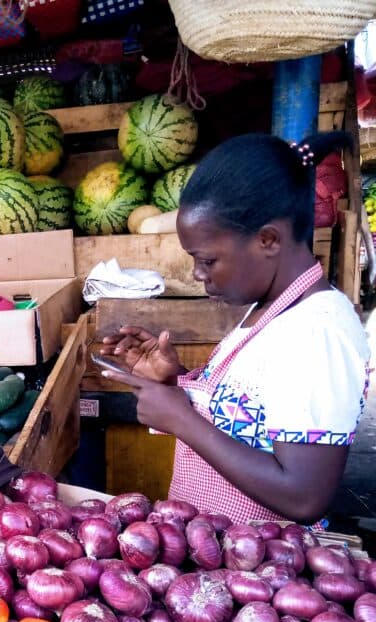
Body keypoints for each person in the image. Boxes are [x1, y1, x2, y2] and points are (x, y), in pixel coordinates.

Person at [101, 131, 370, 526]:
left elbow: (304, 496)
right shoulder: (267, 310)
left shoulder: (317, 332)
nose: (197, 274)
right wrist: (172, 382)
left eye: (208, 260)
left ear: (268, 240)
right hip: (217, 557)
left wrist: (184, 422)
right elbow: (248, 424)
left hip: (266, 574)